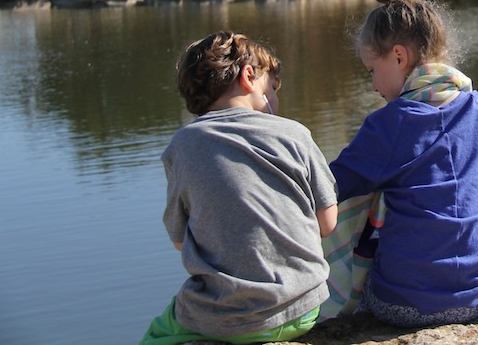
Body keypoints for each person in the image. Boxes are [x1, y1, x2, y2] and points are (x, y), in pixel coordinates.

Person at [329, 0, 478, 327]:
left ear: (399, 57)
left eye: (372, 71)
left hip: (403, 303)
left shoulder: (392, 122)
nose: (373, 85)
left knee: (356, 195)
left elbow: (330, 187)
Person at [140, 31, 338, 345]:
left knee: (156, 335)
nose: (275, 99)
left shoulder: (183, 145)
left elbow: (179, 241)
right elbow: (327, 223)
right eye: (272, 88)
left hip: (224, 317)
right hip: (303, 309)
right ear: (248, 77)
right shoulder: (295, 134)